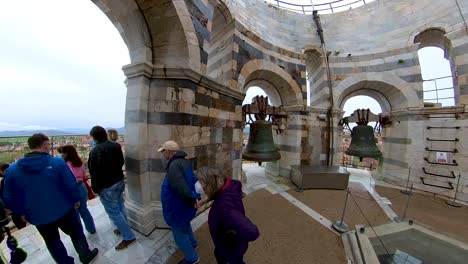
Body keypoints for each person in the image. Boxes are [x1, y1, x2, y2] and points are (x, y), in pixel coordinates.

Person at [2, 133, 98, 264]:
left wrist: (21, 212)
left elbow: (8, 197)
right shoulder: (57, 163)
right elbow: (71, 184)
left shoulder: (12, 170)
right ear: (46, 145)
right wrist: (75, 200)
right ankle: (85, 255)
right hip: (64, 209)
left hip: (38, 216)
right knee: (76, 233)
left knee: (52, 242)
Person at [197, 167, 259, 264]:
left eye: (202, 184)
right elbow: (218, 192)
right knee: (218, 254)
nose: (201, 187)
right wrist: (205, 201)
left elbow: (252, 231)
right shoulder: (230, 185)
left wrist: (234, 235)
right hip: (225, 245)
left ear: (210, 185)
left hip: (231, 248)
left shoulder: (223, 208)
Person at [88, 125, 136, 250]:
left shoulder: (95, 151)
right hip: (119, 181)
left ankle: (128, 237)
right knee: (120, 206)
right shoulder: (116, 146)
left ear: (94, 137)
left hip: (106, 186)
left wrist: (96, 188)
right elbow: (120, 162)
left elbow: (94, 172)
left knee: (114, 212)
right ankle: (123, 228)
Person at [159, 140, 200, 264]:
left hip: (177, 205)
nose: (162, 154)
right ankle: (193, 243)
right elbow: (194, 180)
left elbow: (180, 187)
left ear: (168, 152)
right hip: (185, 204)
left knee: (179, 234)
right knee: (186, 224)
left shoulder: (173, 166)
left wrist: (193, 199)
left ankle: (192, 258)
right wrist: (196, 196)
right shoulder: (185, 162)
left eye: (163, 151)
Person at [61, 145, 96, 234]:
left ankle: (80, 233)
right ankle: (91, 229)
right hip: (82, 188)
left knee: (75, 214)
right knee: (84, 210)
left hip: (74, 190)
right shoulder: (79, 162)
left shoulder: (66, 165)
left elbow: (70, 180)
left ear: (66, 153)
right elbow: (84, 176)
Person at [0, 162, 27, 230]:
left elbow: (9, 198)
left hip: (17, 210)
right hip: (19, 208)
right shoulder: (14, 177)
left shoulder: (6, 180)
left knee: (19, 223)